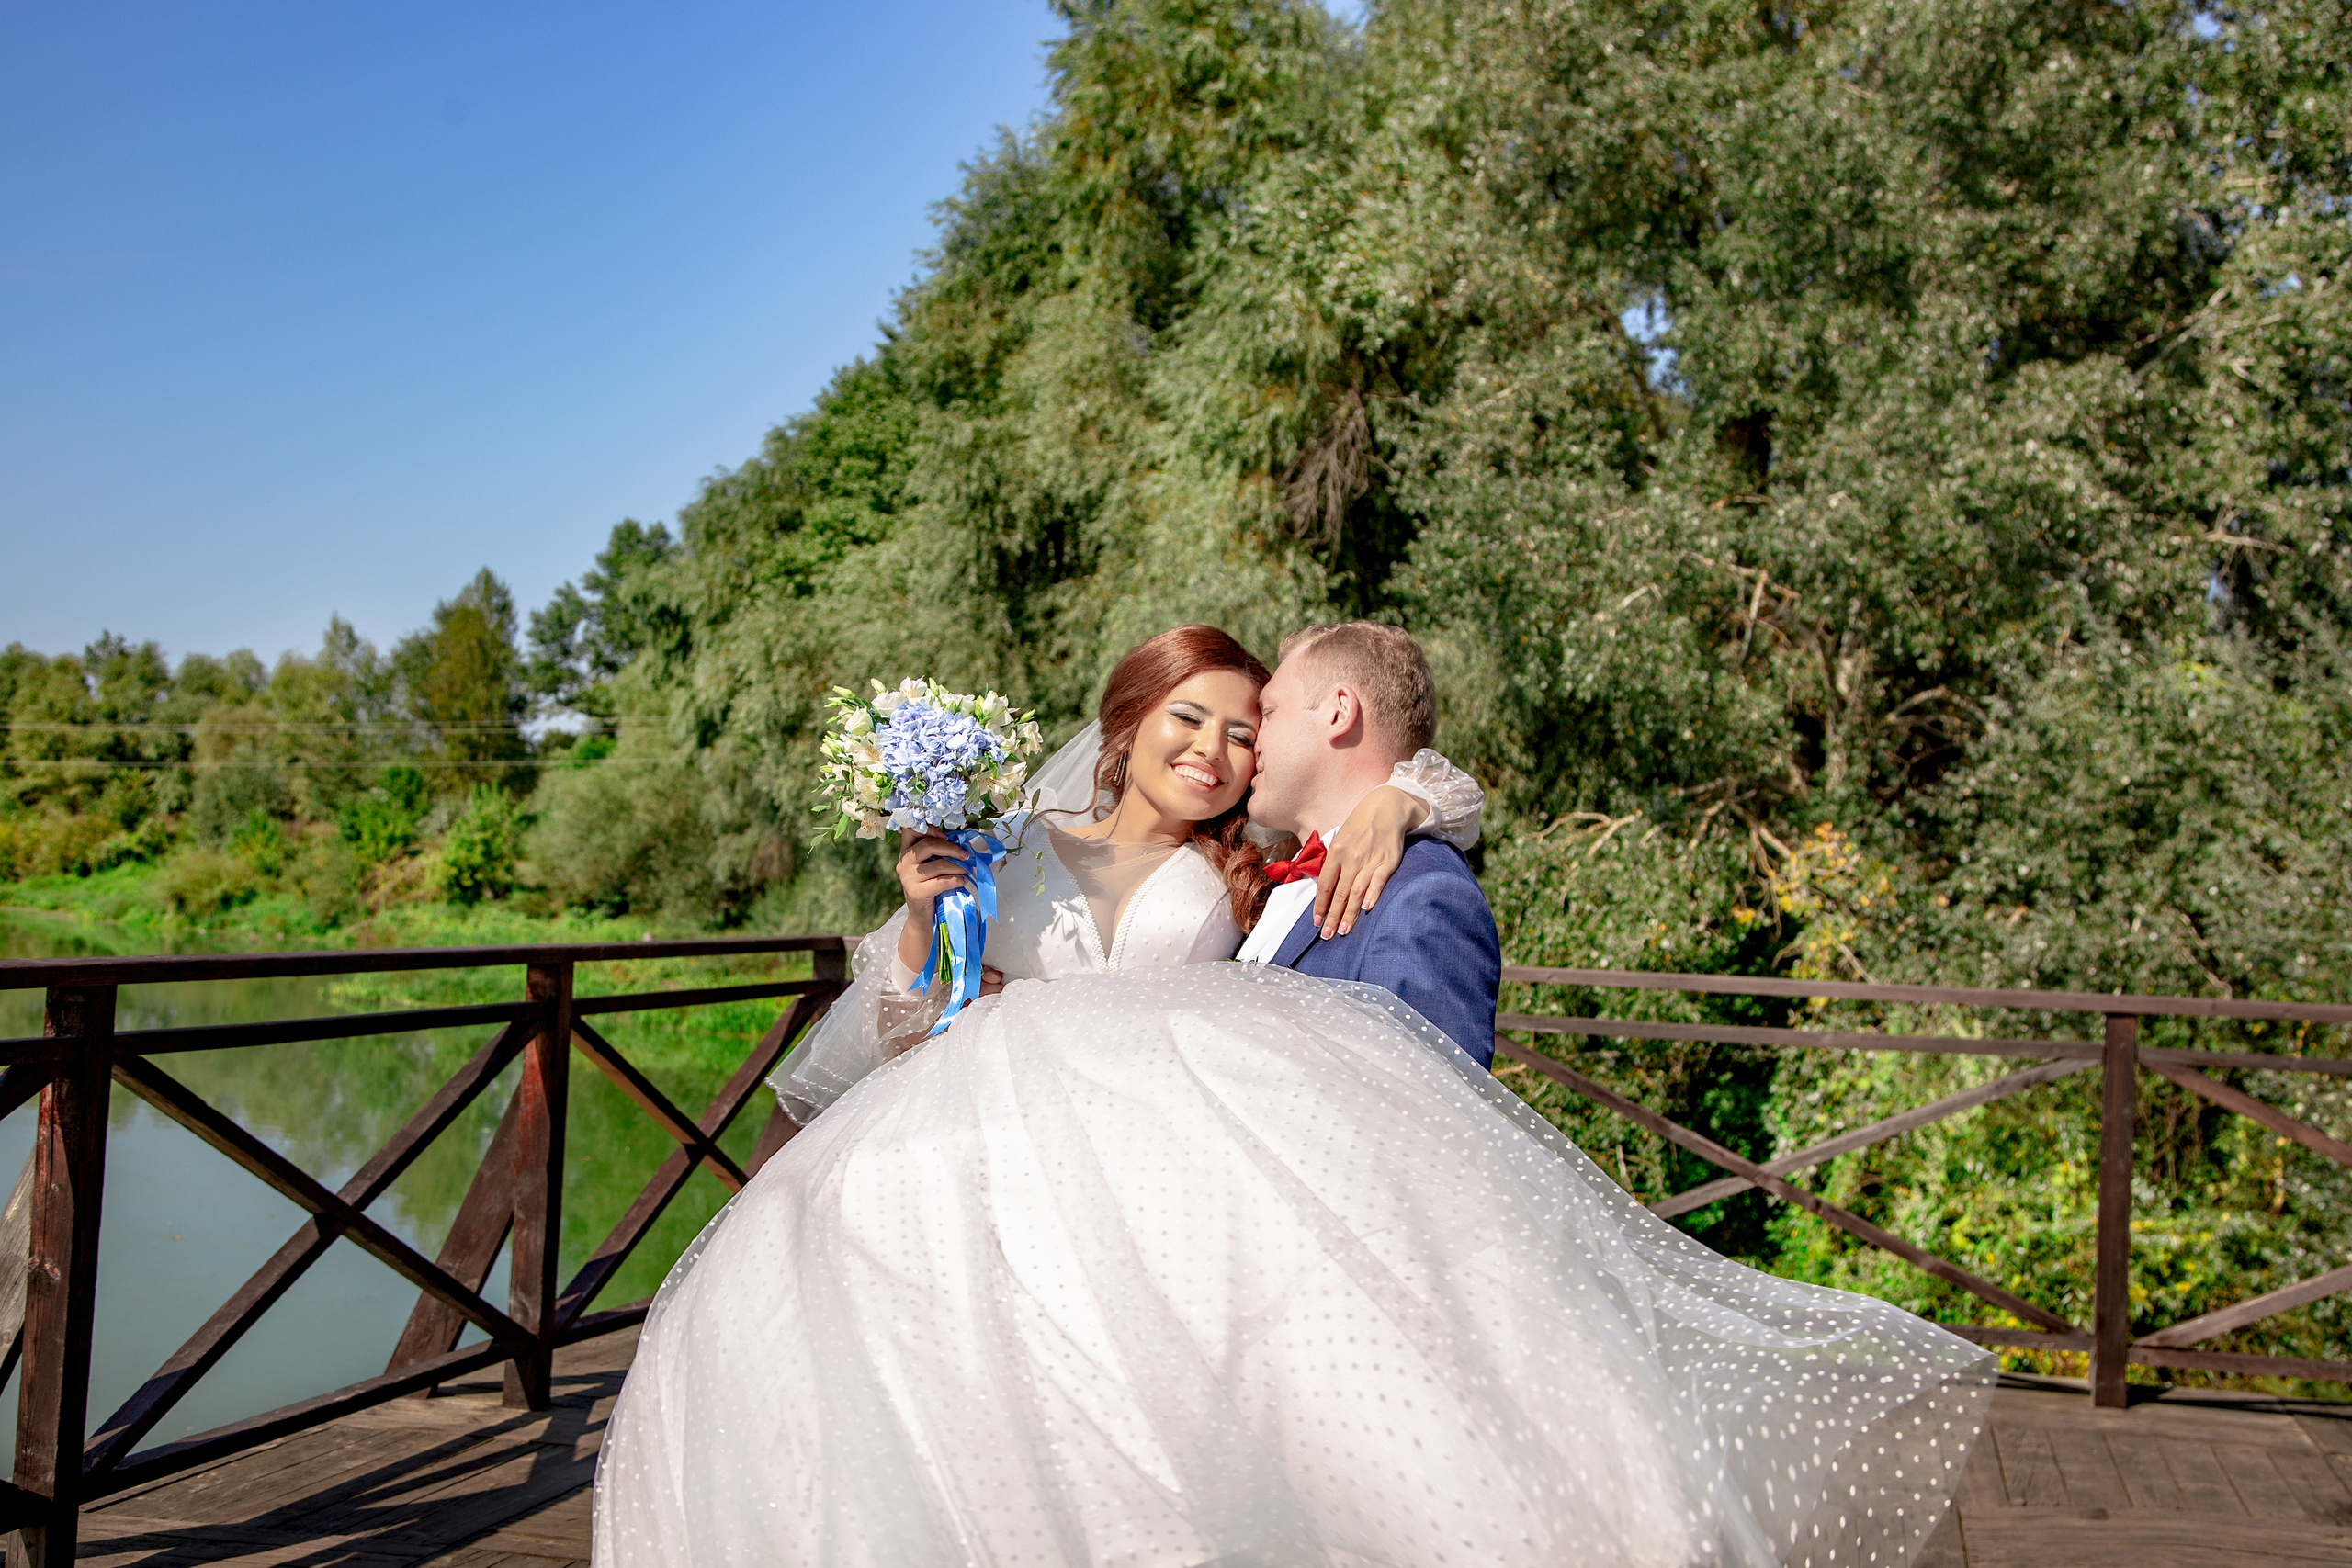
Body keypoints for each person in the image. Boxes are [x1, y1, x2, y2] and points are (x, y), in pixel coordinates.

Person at [592, 625, 1993, 1568]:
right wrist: (918, 927)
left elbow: (1392, 810)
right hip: (958, 1160)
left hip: (1135, 1204)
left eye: (1242, 729)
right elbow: (899, 1014)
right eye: (1189, 718)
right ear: (1129, 722)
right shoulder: (1003, 842)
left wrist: (1417, 797)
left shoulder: (1257, 870)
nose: (1216, 747)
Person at [1239, 621, 1501, 1068]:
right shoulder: (1269, 878)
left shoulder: (1423, 896)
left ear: (1339, 712)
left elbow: (1429, 1117)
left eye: (1269, 711)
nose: (1252, 736)